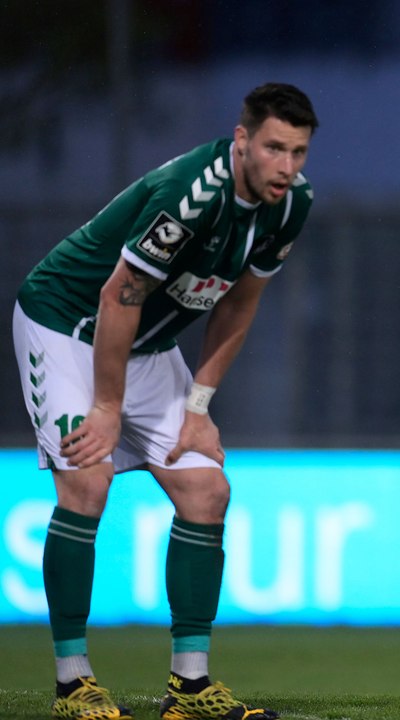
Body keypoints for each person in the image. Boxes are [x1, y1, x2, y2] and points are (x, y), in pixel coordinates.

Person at [12, 82, 318, 720]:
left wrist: (199, 406)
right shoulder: (193, 194)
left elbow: (240, 302)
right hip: (67, 327)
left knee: (208, 490)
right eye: (273, 148)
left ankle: (191, 687)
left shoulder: (290, 207)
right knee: (86, 482)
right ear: (242, 142)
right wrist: (105, 407)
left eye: (298, 151)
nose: (286, 166)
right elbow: (117, 296)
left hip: (147, 347)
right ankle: (73, 682)